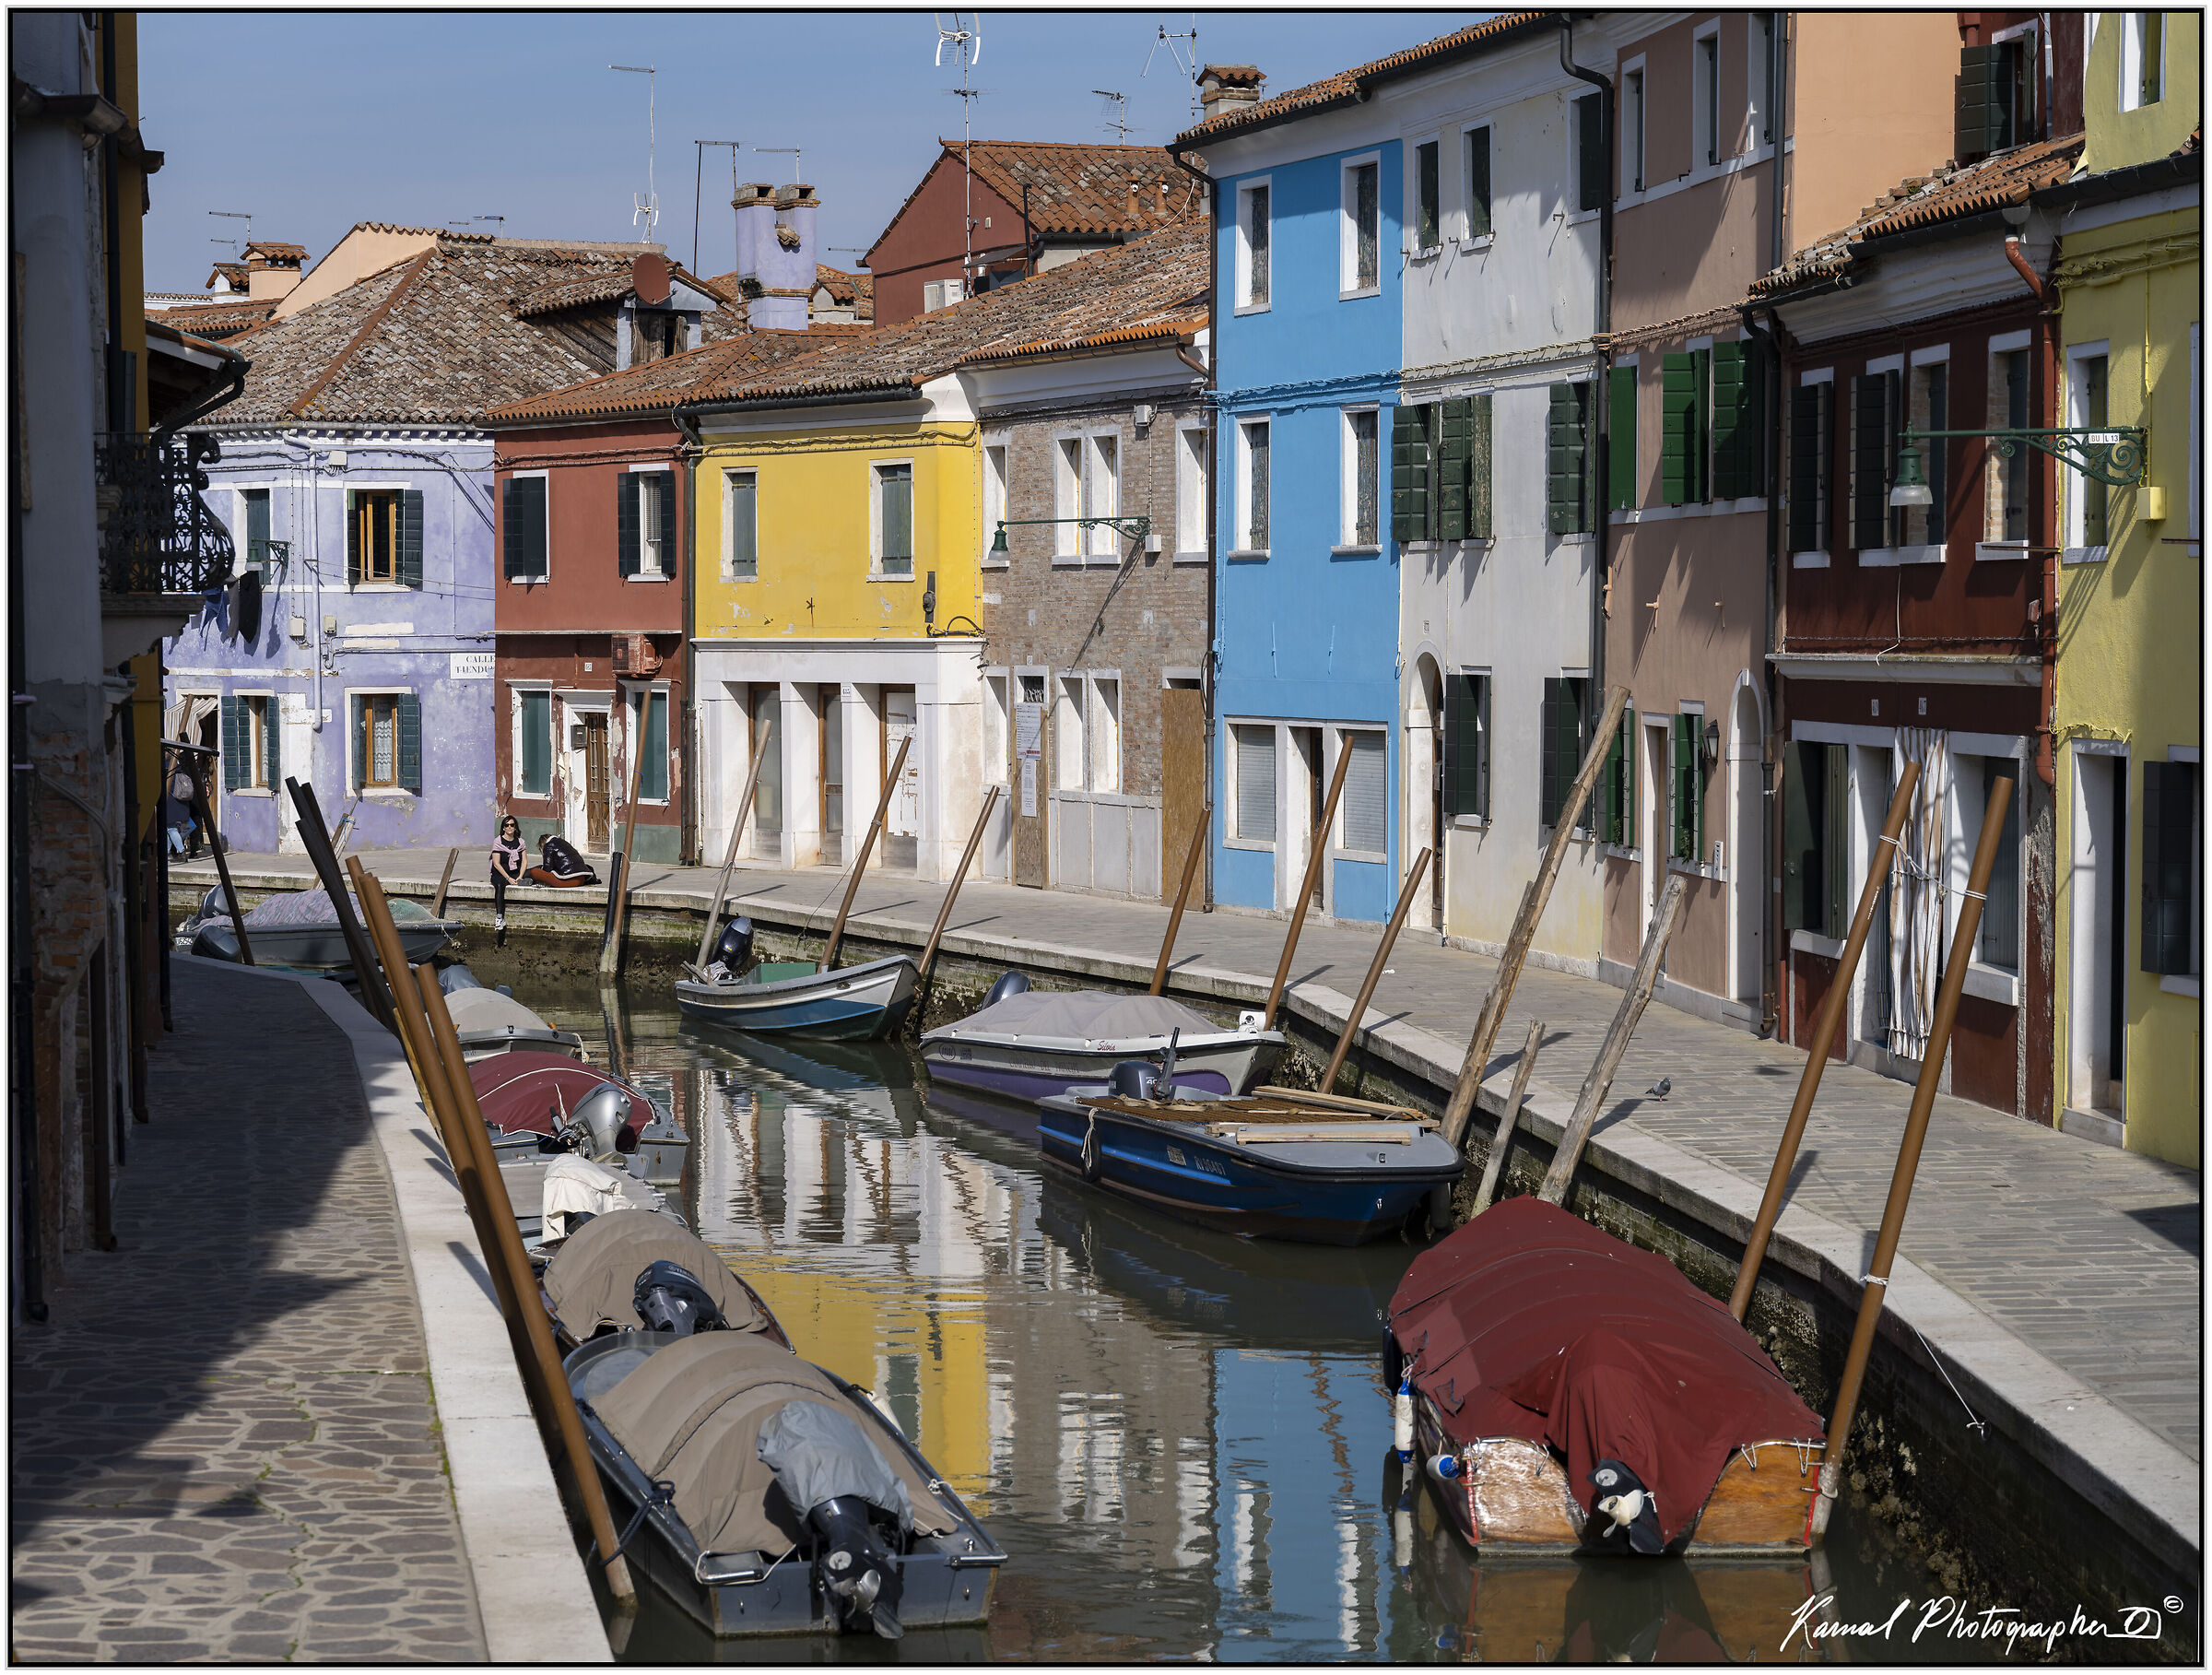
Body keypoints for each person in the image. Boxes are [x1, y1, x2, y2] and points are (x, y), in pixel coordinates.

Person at [489, 815, 525, 932]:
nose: (509, 827)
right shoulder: (498, 842)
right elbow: (496, 864)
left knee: (534, 871)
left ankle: (526, 880)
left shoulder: (520, 842)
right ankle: (499, 918)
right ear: (503, 828)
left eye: (512, 825)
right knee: (500, 885)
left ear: (515, 827)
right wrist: (508, 878)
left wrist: (520, 877)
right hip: (500, 874)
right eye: (507, 825)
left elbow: (524, 861)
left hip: (515, 873)